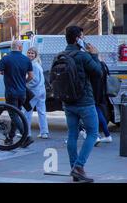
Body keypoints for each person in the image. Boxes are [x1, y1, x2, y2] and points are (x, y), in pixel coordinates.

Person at [61, 25, 102, 182]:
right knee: (92, 133)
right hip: (84, 101)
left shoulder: (61, 55)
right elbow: (97, 72)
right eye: (82, 37)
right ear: (78, 39)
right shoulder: (83, 56)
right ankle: (79, 166)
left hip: (68, 102)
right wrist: (95, 55)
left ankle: (74, 169)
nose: (84, 39)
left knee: (72, 134)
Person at [0, 40, 34, 148]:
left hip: (11, 93)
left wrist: (3, 71)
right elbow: (31, 76)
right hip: (22, 93)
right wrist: (23, 82)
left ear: (12, 48)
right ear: (20, 48)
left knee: (14, 115)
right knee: (16, 115)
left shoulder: (6, 58)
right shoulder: (26, 60)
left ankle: (26, 137)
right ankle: (10, 138)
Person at [24, 47, 49, 139]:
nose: (30, 54)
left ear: (35, 55)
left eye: (32, 53)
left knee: (27, 111)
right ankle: (44, 132)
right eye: (29, 53)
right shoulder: (38, 64)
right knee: (42, 112)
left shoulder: (33, 65)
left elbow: (34, 80)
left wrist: (25, 83)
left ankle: (26, 133)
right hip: (42, 91)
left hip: (34, 91)